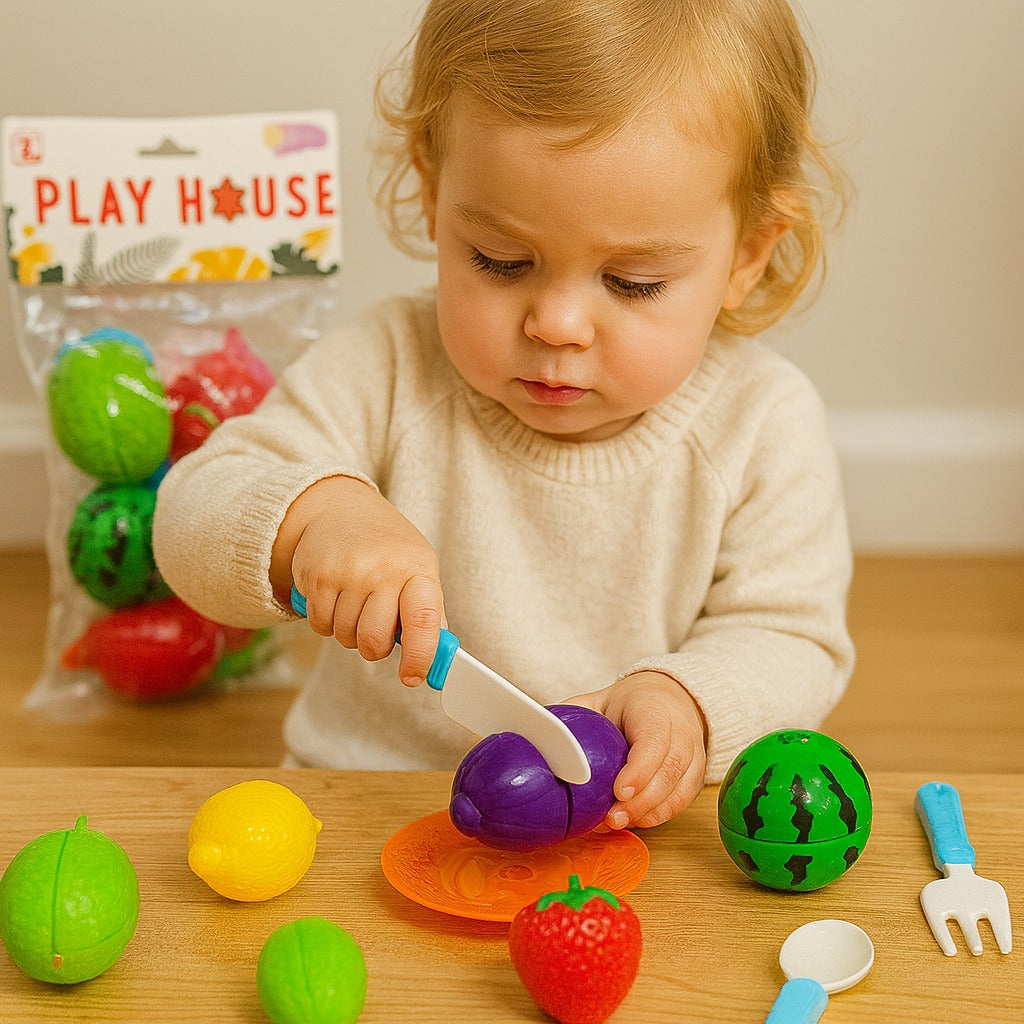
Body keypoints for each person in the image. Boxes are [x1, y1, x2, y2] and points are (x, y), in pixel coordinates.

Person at [154, 0, 854, 832]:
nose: (556, 324)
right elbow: (189, 516)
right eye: (501, 260)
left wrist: (691, 701)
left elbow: (792, 639)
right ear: (431, 189)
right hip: (362, 812)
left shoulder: (761, 425)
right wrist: (311, 516)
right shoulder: (386, 366)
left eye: (632, 282)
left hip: (612, 840)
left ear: (747, 252)